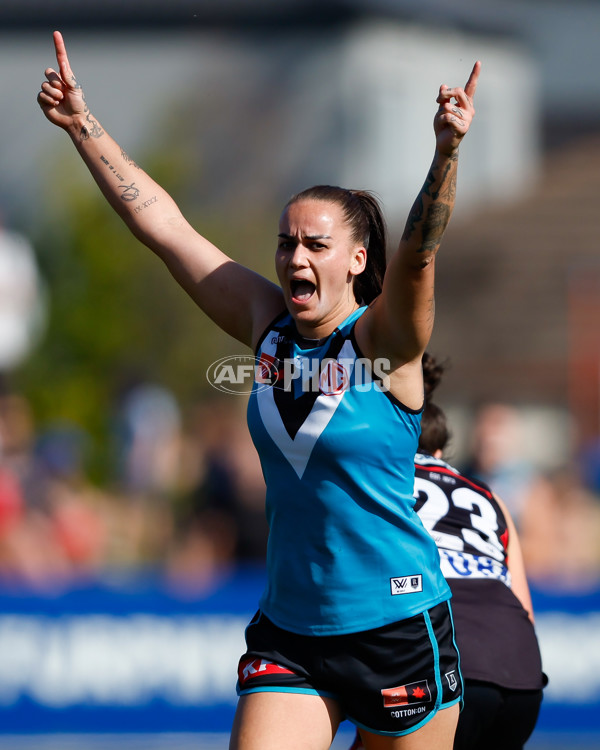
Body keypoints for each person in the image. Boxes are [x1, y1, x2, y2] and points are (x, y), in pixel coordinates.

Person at [37, 31, 480, 750]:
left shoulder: (386, 345)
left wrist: (446, 154)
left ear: (357, 260)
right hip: (292, 633)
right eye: (285, 243)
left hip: (398, 632)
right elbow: (162, 224)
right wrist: (82, 122)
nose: (294, 257)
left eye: (315, 245)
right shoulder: (265, 325)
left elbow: (422, 249)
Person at [349, 353, 546, 750]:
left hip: (447, 671)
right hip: (522, 677)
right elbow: (525, 609)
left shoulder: (380, 483)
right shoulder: (491, 497)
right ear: (441, 452)